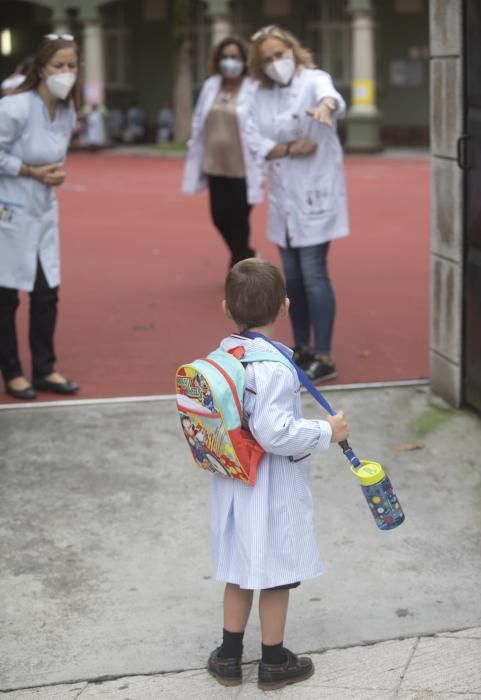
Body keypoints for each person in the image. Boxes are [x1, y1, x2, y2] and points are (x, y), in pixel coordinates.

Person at [206, 257, 349, 690]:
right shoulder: (271, 368)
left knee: (239, 566)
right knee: (275, 572)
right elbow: (274, 433)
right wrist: (326, 430)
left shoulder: (225, 355)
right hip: (268, 486)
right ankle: (273, 660)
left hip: (233, 480)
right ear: (285, 306)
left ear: (227, 309)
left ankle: (229, 656)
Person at [246, 25, 350, 383]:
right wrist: (291, 148)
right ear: (259, 65)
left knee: (314, 273)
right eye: (268, 59)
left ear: (293, 50)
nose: (277, 62)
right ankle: (301, 348)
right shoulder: (259, 95)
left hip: (316, 194)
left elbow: (332, 96)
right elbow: (254, 142)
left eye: (281, 54)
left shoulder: (313, 79)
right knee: (291, 278)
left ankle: (324, 354)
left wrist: (326, 106)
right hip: (283, 200)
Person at [0, 34, 81, 400]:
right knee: (7, 296)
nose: (66, 73)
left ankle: (45, 367)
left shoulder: (67, 111)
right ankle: (13, 372)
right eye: (58, 66)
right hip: (9, 211)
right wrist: (32, 172)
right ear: (42, 69)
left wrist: (53, 174)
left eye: (71, 66)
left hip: (43, 212)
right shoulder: (15, 107)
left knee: (47, 294)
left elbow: (55, 158)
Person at [182, 36, 263, 268]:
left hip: (242, 167)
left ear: (245, 60)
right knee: (219, 218)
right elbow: (199, 118)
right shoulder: (211, 85)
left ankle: (240, 267)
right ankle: (246, 253)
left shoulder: (254, 88)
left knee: (238, 219)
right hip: (214, 165)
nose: (230, 62)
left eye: (235, 57)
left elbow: (260, 124)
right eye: (225, 57)